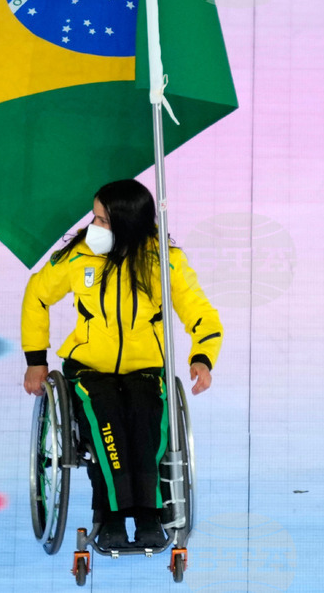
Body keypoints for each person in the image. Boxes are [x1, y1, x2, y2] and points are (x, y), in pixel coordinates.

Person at [21, 179, 221, 550]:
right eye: (94, 217)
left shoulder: (164, 261)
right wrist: (36, 359)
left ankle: (148, 513)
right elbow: (37, 294)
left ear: (128, 224)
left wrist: (202, 357)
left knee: (145, 424)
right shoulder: (78, 256)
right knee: (106, 421)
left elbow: (201, 313)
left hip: (146, 368)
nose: (93, 227)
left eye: (103, 221)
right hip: (89, 369)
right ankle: (110, 516)